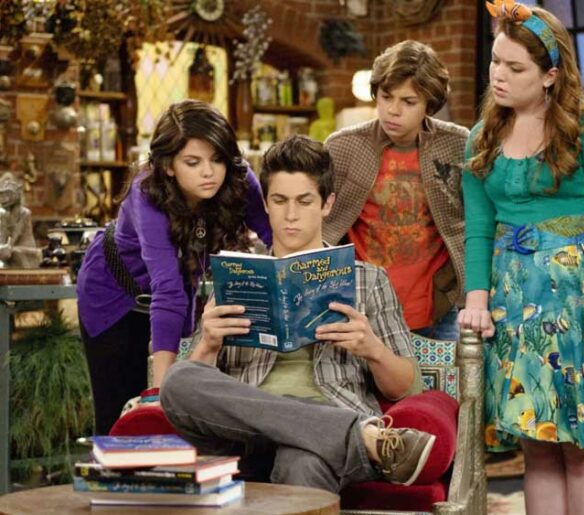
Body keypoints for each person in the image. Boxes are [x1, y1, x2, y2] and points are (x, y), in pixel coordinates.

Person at [459, 3, 584, 514]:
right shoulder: (483, 137)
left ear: (550, 75)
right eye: (496, 62)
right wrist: (477, 301)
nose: (499, 75)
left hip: (582, 305)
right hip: (515, 306)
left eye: (515, 68)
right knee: (539, 445)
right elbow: (478, 230)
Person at [160, 135, 435, 492]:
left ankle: (332, 434)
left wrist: (373, 349)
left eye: (304, 202)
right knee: (178, 379)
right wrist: (208, 344)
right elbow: (195, 390)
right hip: (245, 433)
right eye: (280, 201)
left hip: (325, 422)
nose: (290, 215)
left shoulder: (368, 280)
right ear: (266, 203)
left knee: (303, 461)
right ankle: (360, 436)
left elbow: (406, 388)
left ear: (327, 204)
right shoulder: (237, 274)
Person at [76, 100, 271, 435]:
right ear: (168, 165)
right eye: (192, 162)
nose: (209, 172)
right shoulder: (145, 192)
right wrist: (160, 396)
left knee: (182, 419)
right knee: (120, 419)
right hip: (111, 295)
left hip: (178, 296)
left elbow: (274, 235)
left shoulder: (238, 177)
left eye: (217, 159)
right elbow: (167, 290)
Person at [324, 40, 467, 340]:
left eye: (408, 101)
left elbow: (473, 225)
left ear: (429, 104)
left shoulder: (457, 145)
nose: (393, 110)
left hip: (438, 308)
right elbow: (321, 223)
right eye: (386, 97)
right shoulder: (343, 147)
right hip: (361, 308)